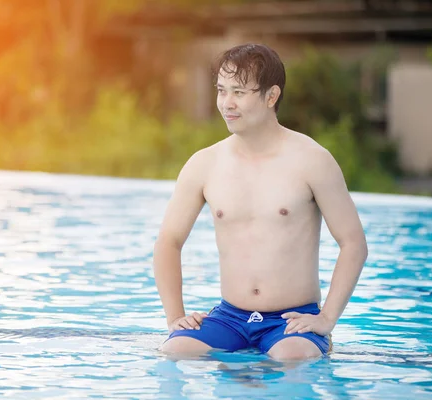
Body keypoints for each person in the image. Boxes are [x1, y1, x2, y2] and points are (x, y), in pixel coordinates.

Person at [153, 43, 368, 361]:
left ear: (271, 96)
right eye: (221, 91)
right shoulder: (204, 164)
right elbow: (168, 241)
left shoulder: (312, 160)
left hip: (291, 321)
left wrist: (326, 319)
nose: (227, 103)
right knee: (176, 349)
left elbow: (353, 243)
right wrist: (175, 318)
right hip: (230, 318)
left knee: (293, 355)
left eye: (239, 92)